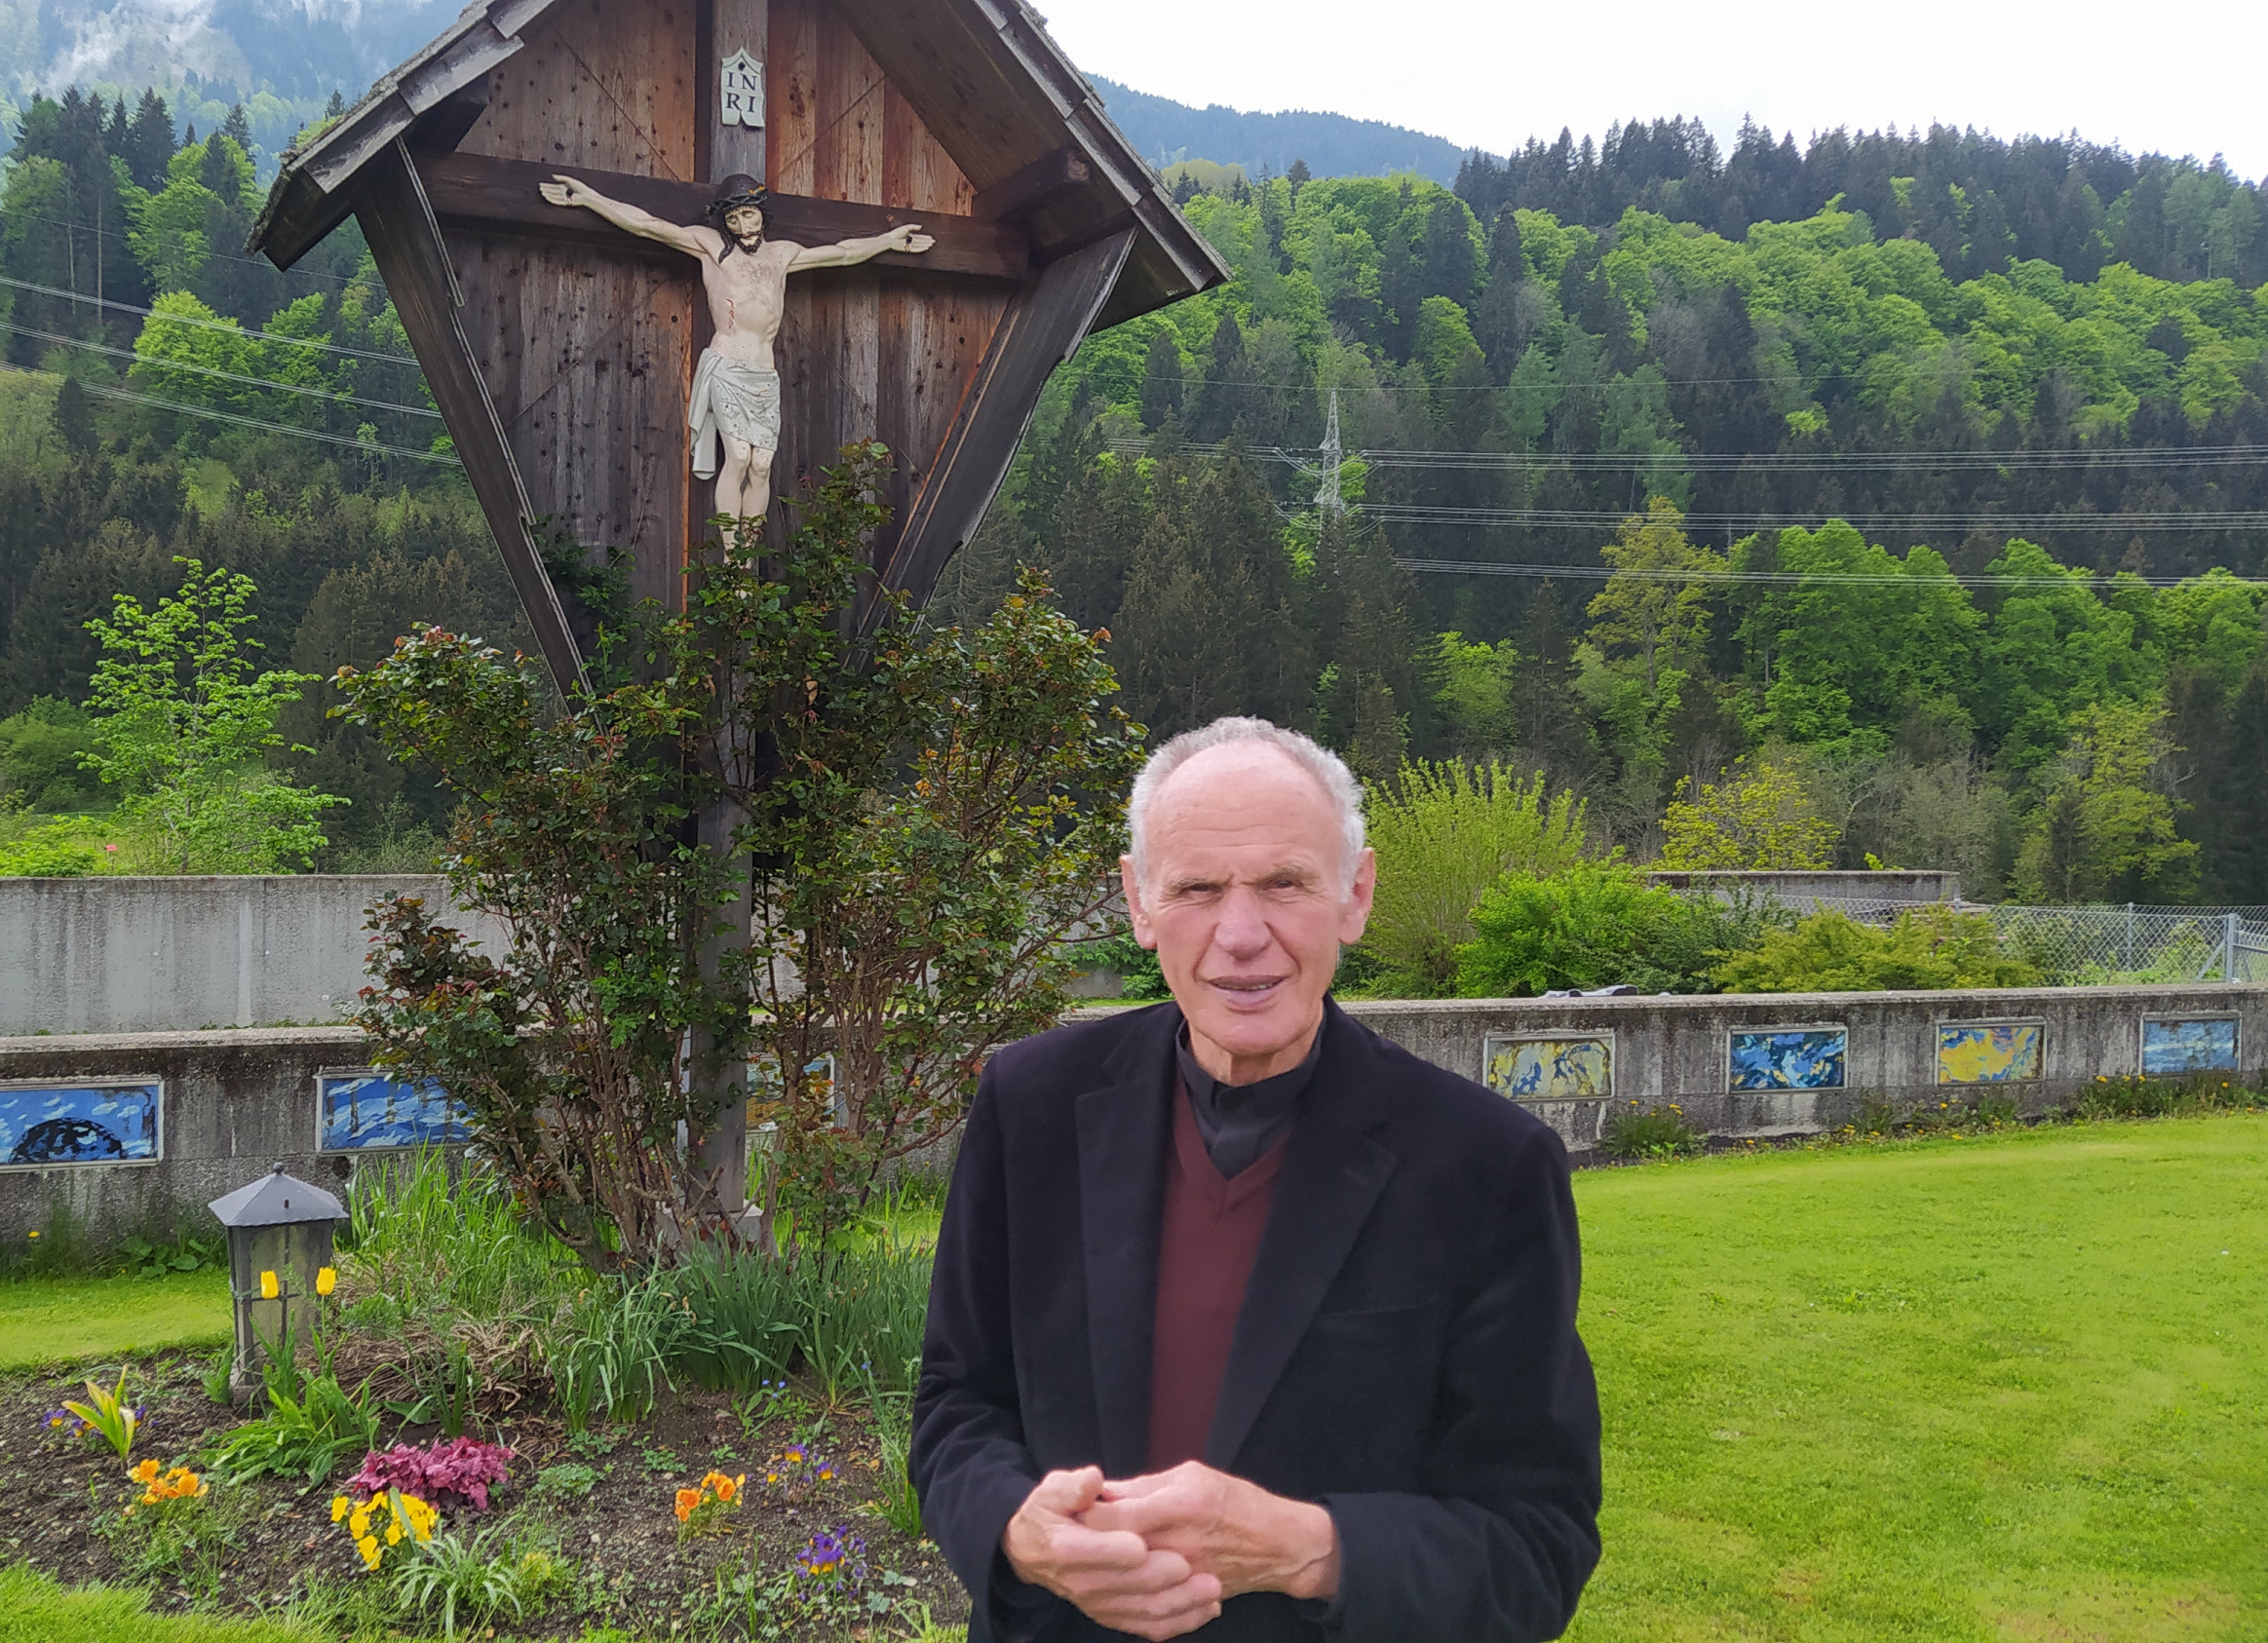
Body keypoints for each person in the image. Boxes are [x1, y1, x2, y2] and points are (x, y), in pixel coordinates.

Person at [911, 716, 1601, 1642]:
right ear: (1138, 901)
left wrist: (1303, 1548)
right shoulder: (1031, 1103)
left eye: (1285, 883)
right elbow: (958, 1403)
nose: (1241, 935)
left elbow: (1537, 1544)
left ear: (1355, 895)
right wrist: (1015, 1532)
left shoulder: (1484, 1166)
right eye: (1197, 888)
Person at [535, 172, 935, 522]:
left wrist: (888, 241)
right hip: (728, 365)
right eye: (733, 217)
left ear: (761, 212)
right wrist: (590, 199)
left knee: (761, 464)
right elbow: (646, 225)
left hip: (764, 374)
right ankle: (732, 558)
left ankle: (748, 552)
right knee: (739, 457)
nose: (742, 224)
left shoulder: (783, 255)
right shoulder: (711, 247)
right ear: (724, 220)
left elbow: (844, 253)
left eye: (748, 214)